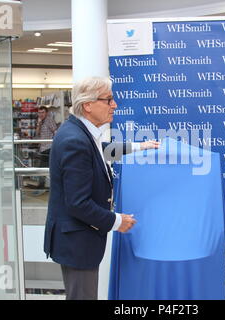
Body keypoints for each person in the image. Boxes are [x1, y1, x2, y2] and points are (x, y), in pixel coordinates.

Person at [43, 76, 159, 300]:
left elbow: (99, 151)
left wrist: (138, 147)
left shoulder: (80, 132)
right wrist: (117, 221)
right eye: (108, 100)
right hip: (77, 242)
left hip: (77, 239)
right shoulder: (74, 141)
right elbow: (78, 203)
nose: (114, 105)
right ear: (88, 105)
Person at [34, 106, 58, 192]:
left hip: (49, 147)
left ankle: (42, 185)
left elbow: (55, 131)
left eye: (42, 112)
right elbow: (37, 134)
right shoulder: (40, 121)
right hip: (43, 148)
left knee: (43, 166)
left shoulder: (49, 120)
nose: (41, 114)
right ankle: (44, 184)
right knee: (44, 166)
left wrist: (55, 144)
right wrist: (38, 124)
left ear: (46, 113)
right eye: (39, 113)